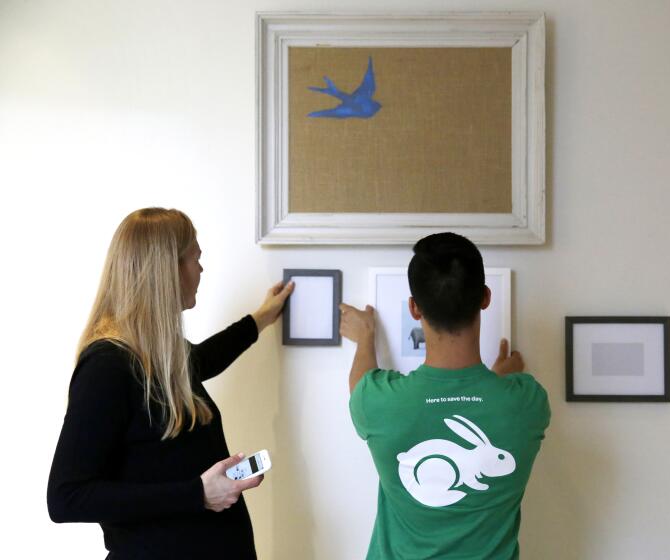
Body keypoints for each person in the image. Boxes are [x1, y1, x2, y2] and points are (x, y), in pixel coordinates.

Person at [47, 208, 294, 559]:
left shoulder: (162, 355)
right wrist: (197, 494)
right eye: (196, 258)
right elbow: (65, 497)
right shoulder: (107, 366)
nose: (201, 269)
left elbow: (205, 358)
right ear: (167, 271)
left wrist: (261, 318)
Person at [340, 232, 550, 559]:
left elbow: (361, 382)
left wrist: (365, 337)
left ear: (414, 308)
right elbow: (477, 405)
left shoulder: (378, 403)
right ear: (485, 297)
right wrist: (497, 381)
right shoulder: (527, 402)